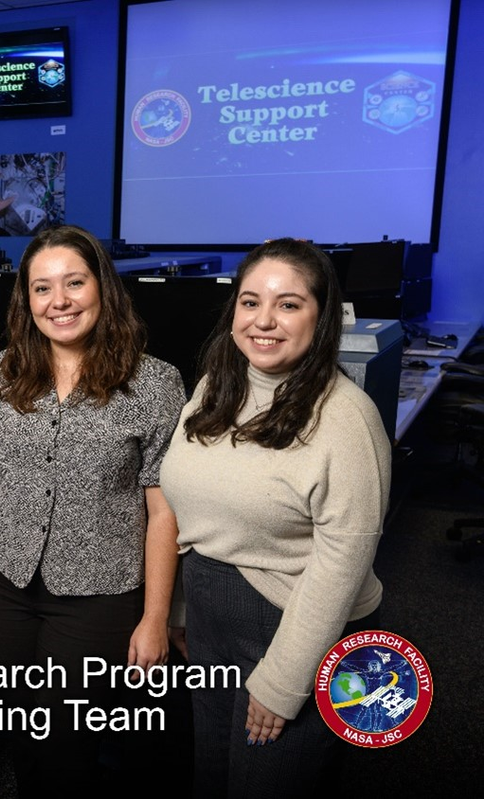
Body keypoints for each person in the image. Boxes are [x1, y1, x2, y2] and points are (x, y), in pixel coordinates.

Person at [0, 225, 186, 794]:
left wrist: (157, 618)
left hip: (99, 596)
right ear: (25, 300)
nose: (58, 301)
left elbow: (164, 512)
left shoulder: (154, 384)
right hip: (6, 585)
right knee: (22, 734)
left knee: (67, 748)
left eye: (74, 283)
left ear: (102, 288)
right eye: (41, 288)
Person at [159, 238, 391, 797]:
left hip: (294, 627)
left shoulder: (345, 420)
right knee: (212, 774)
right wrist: (184, 608)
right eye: (249, 301)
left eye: (288, 304)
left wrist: (285, 682)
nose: (264, 320)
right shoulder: (217, 387)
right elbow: (193, 509)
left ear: (322, 315)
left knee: (264, 784)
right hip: (213, 618)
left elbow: (340, 570)